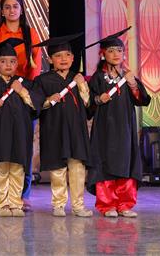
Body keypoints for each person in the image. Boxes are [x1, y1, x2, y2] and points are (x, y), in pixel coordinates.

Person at [0, 0, 42, 209]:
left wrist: (27, 90)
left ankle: (22, 194)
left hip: (22, 92)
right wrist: (0, 86)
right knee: (2, 144)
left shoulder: (31, 34)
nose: (11, 10)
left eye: (15, 6)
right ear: (2, 11)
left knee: (23, 145)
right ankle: (4, 195)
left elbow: (35, 65)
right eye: (7, 7)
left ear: (21, 9)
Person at [85, 28, 150, 218]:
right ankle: (107, 205)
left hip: (125, 128)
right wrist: (98, 99)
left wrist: (132, 84)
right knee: (105, 162)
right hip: (104, 128)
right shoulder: (98, 78)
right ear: (103, 54)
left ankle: (125, 204)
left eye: (119, 51)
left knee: (126, 161)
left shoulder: (128, 77)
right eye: (111, 51)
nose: (116, 54)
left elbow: (142, 100)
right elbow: (88, 104)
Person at [0, 38, 39, 217]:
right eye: (3, 61)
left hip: (20, 132)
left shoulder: (25, 83)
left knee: (18, 168)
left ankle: (16, 203)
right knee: (1, 168)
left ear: (17, 63)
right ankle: (3, 204)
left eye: (12, 61)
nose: (8, 65)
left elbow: (36, 105)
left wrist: (22, 91)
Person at [33, 34, 94, 217]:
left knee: (77, 167)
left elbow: (88, 104)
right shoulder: (43, 80)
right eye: (58, 56)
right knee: (58, 167)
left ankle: (78, 205)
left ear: (73, 58)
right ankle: (58, 204)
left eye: (67, 55)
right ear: (50, 59)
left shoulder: (78, 79)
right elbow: (35, 104)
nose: (63, 59)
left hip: (76, 129)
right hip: (54, 129)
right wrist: (47, 100)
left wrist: (82, 86)